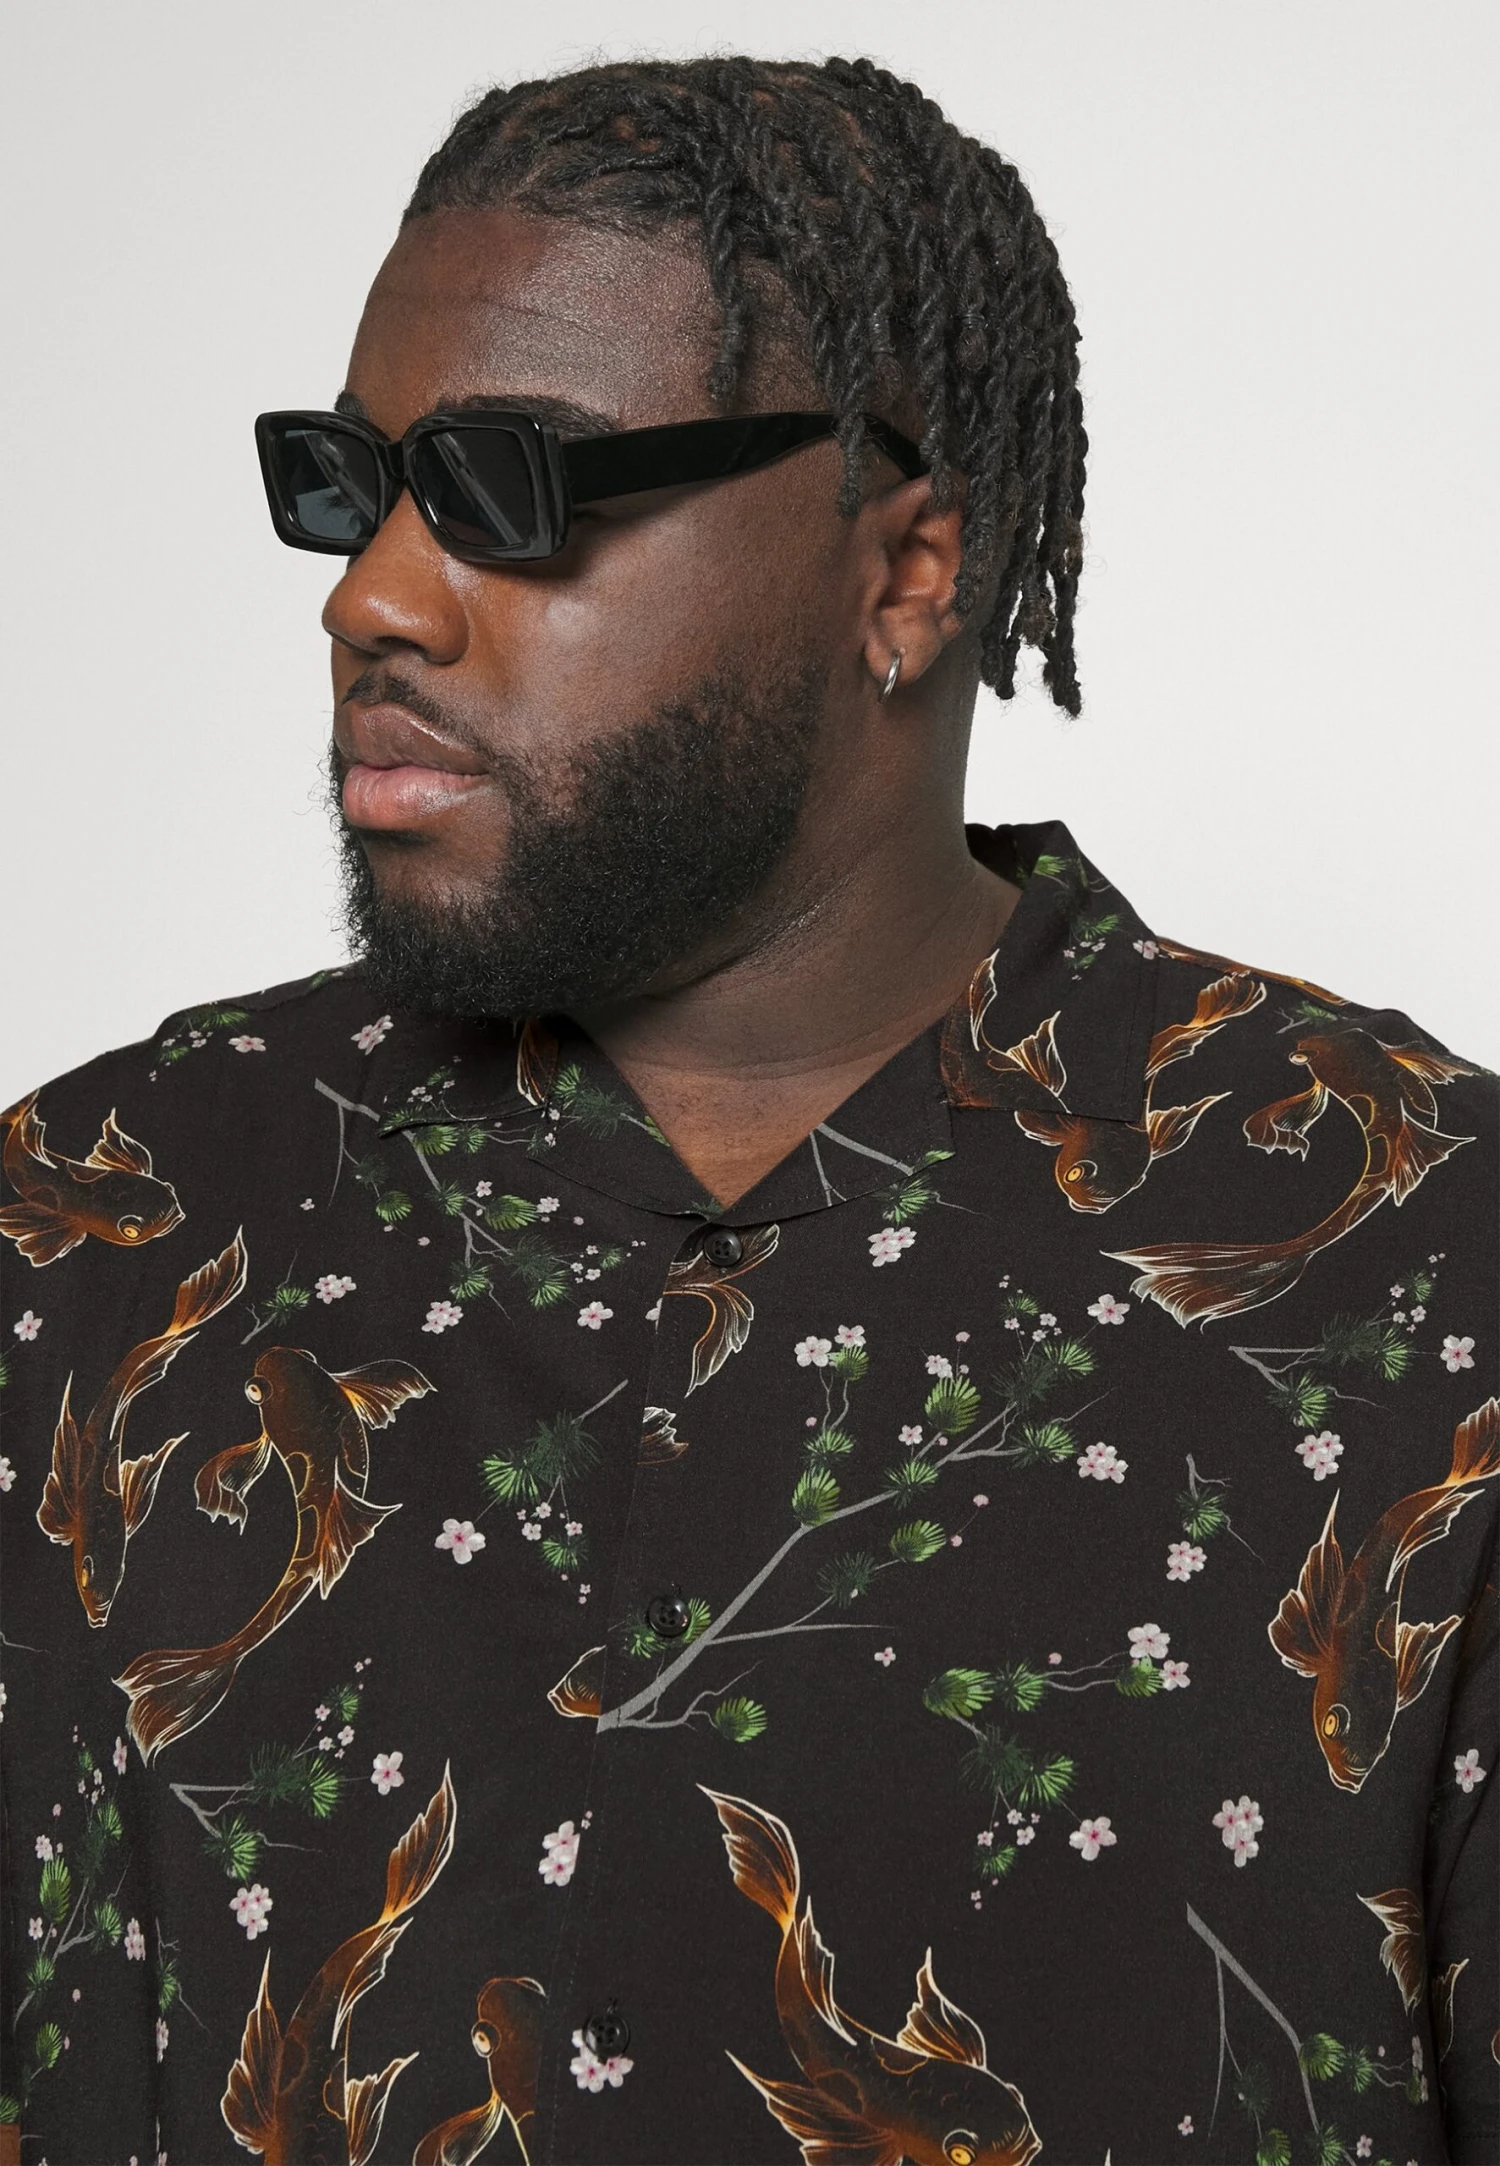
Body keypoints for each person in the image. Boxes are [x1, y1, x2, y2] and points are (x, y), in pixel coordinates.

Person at [1, 52, 1494, 2166]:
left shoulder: (1420, 1262)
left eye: (516, 488)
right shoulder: (92, 1235)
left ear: (906, 576)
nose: (373, 598)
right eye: (355, 486)